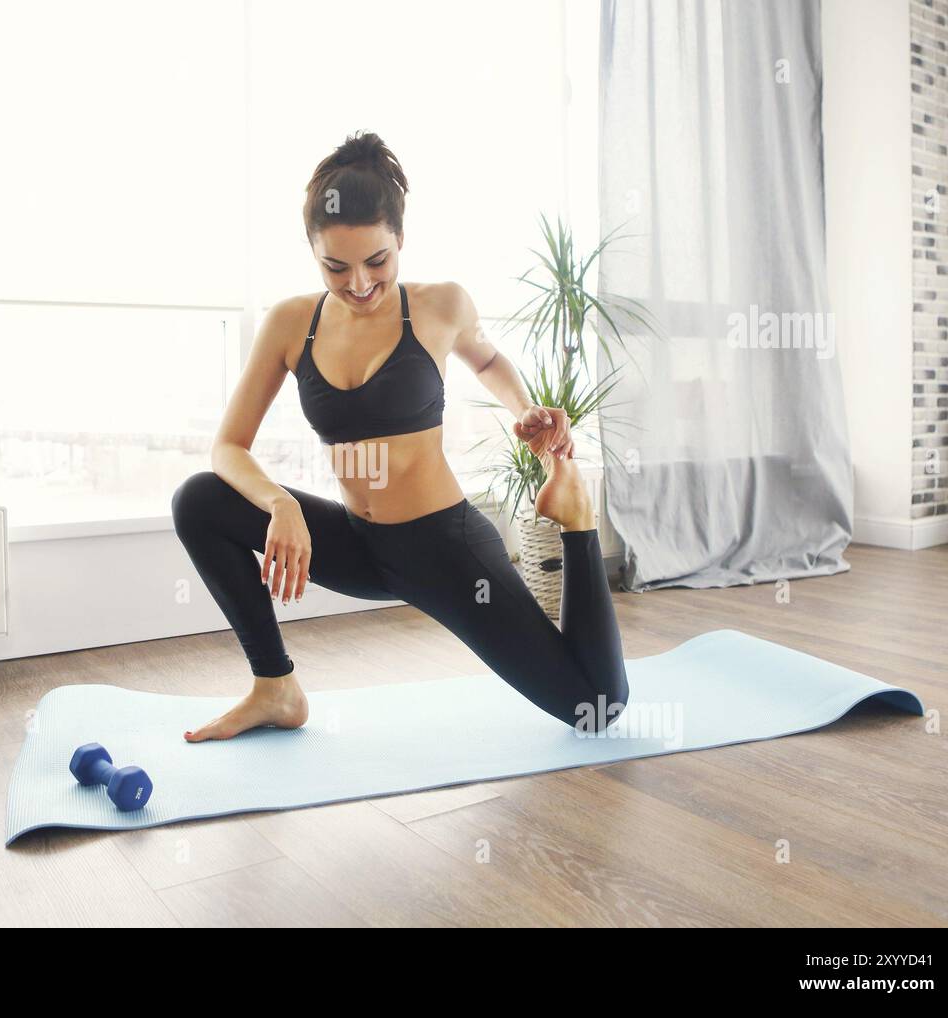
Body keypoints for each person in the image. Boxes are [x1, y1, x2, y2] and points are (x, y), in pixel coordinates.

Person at [171, 130, 628, 742]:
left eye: (377, 262)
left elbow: (488, 359)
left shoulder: (441, 305)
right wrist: (279, 503)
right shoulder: (290, 323)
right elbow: (228, 446)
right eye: (336, 267)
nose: (359, 283)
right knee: (199, 500)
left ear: (401, 241)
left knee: (595, 707)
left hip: (444, 551)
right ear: (313, 252)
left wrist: (525, 410)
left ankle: (578, 519)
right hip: (360, 545)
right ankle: (275, 686)